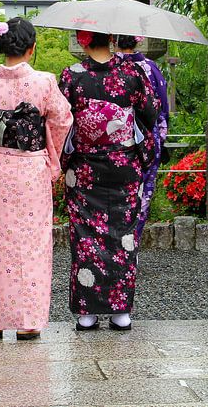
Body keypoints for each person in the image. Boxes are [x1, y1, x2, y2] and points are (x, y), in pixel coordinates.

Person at [0, 18, 73, 341]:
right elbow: (63, 121)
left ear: (2, 46)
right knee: (33, 244)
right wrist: (52, 159)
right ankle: (28, 321)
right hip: (32, 169)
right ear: (31, 49)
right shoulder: (45, 84)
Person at [59, 30, 160, 331]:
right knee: (123, 235)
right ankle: (121, 312)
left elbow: (60, 121)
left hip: (85, 167)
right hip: (124, 165)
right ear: (113, 39)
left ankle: (87, 313)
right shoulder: (132, 72)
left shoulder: (71, 76)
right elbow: (151, 113)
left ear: (84, 40)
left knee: (85, 236)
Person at [114, 34, 170, 239]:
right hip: (145, 141)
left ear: (114, 41)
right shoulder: (150, 68)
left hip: (113, 144)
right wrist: (159, 139)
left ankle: (113, 249)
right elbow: (162, 110)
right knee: (142, 197)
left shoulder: (108, 69)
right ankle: (132, 245)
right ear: (138, 40)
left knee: (114, 197)